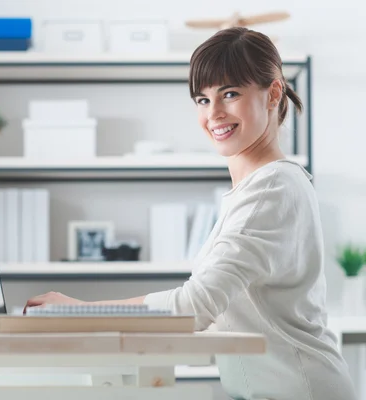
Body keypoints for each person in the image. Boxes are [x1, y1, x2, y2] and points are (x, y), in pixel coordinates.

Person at [24, 27, 357, 400]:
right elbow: (222, 313)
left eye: (230, 94)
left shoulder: (271, 189)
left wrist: (80, 312)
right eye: (202, 99)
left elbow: (196, 306)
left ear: (273, 93)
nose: (213, 114)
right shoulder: (258, 189)